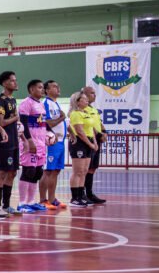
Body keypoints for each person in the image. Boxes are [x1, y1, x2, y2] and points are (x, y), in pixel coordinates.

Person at [16, 79, 48, 213]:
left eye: (43, 87)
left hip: (41, 144)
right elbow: (23, 123)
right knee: (28, 171)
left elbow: (43, 124)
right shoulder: (26, 103)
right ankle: (22, 203)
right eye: (39, 87)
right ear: (32, 89)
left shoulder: (41, 104)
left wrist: (48, 136)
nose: (42, 90)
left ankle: (31, 202)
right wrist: (29, 141)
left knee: (38, 172)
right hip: (31, 143)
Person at [0, 71, 21, 216]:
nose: (15, 83)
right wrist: (16, 118)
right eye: (12, 80)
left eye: (15, 80)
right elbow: (1, 122)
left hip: (14, 141)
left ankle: (7, 205)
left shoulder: (13, 100)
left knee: (13, 172)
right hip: (3, 142)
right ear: (4, 83)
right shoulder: (1, 101)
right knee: (2, 172)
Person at [67, 91, 98, 207]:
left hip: (88, 141)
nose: (87, 100)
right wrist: (90, 144)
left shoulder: (86, 113)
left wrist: (94, 142)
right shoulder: (75, 114)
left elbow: (91, 129)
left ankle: (81, 196)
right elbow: (79, 131)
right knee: (78, 171)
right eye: (84, 99)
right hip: (79, 143)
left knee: (84, 171)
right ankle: (74, 198)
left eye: (86, 99)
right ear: (77, 102)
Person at [40, 80, 68, 209]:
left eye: (58, 86)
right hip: (51, 142)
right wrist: (62, 117)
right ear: (47, 90)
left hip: (60, 141)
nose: (58, 88)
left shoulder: (56, 103)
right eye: (54, 86)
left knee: (56, 170)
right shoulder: (46, 103)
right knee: (48, 171)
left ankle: (52, 199)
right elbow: (48, 123)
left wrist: (71, 133)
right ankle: (43, 200)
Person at [81, 86, 106, 204]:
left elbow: (99, 123)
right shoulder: (82, 109)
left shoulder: (93, 109)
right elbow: (89, 126)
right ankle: (81, 194)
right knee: (84, 168)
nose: (94, 95)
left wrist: (104, 132)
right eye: (92, 93)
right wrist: (99, 135)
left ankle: (90, 194)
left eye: (94, 93)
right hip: (89, 139)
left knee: (92, 168)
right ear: (84, 94)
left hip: (97, 139)